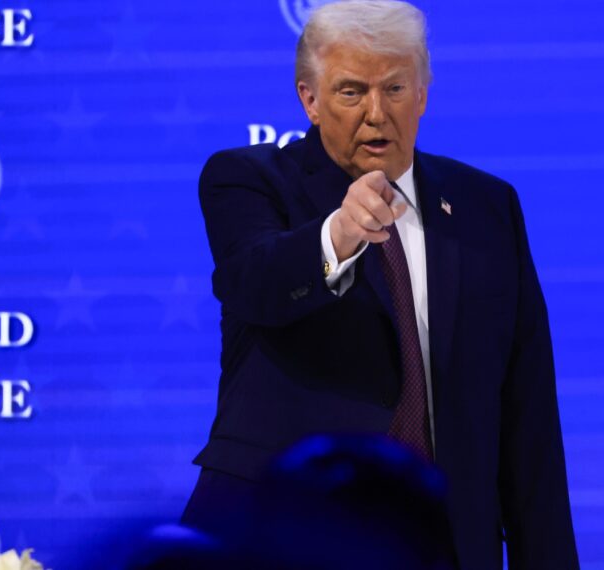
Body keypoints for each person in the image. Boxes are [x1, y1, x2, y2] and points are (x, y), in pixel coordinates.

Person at [184, 1, 578, 567]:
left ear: (423, 93)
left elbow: (527, 414)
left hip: (444, 544)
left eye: (394, 89)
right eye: (351, 91)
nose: (376, 114)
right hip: (283, 538)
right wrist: (339, 235)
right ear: (309, 100)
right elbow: (255, 283)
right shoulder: (247, 181)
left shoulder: (487, 206)